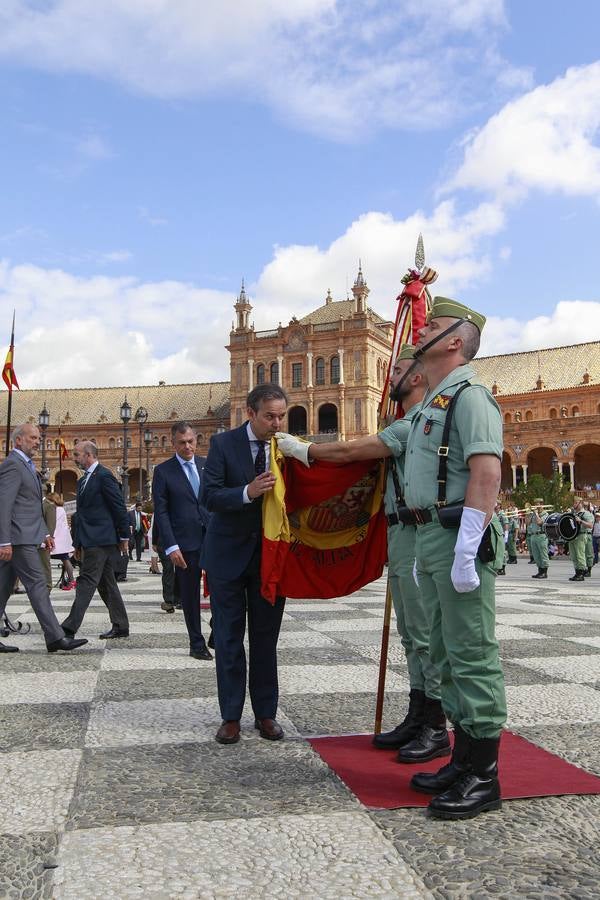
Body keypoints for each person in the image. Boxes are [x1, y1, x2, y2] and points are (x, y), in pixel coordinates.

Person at [277, 346, 448, 763]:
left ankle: (437, 724)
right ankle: (417, 712)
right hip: (400, 532)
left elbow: (354, 453)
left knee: (425, 632)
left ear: (420, 378)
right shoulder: (404, 421)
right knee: (410, 632)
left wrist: (305, 451)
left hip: (419, 529)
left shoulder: (418, 424)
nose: (390, 377)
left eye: (400, 371)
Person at [394, 297, 506, 820]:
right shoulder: (433, 402)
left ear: (455, 341)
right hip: (430, 538)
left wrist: (468, 546)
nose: (423, 330)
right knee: (443, 651)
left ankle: (484, 774)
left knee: (471, 653)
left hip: (458, 534)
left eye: (432, 326)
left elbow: (486, 473)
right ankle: (462, 759)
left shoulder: (471, 395)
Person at [201, 384, 288, 744]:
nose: (276, 422)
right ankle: (231, 716)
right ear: (250, 412)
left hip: (270, 560)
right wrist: (247, 492)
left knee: (266, 640)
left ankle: (266, 713)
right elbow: (208, 496)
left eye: (281, 415)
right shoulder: (223, 445)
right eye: (270, 416)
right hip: (227, 558)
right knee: (229, 638)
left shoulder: (287, 447)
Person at [0, 423, 87, 654]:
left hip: (26, 535)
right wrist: (4, 541)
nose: (38, 441)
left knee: (3, 587)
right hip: (18, 540)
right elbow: (4, 505)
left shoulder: (26, 466)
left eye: (39, 438)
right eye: (33, 438)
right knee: (38, 584)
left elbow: (30, 506)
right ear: (18, 440)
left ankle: (54, 636)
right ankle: (55, 637)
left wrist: (44, 533)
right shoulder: (13, 465)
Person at [152, 422, 212, 659]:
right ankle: (196, 643)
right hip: (184, 544)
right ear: (173, 443)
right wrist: (171, 545)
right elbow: (162, 511)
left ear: (196, 440)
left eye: (191, 441)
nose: (188, 446)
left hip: (212, 538)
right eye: (182, 443)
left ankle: (217, 631)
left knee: (225, 588)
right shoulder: (164, 471)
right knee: (189, 595)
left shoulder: (207, 465)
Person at [61, 441, 131, 639]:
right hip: (90, 539)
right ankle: (121, 624)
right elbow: (81, 515)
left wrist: (124, 535)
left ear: (89, 455)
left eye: (77, 454)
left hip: (101, 539)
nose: (74, 458)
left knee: (86, 581)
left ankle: (69, 628)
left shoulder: (104, 475)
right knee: (106, 583)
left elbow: (118, 506)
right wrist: (77, 543)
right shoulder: (83, 481)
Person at [48, 492, 76, 590]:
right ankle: (71, 580)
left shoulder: (55, 510)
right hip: (63, 538)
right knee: (65, 559)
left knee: (48, 558)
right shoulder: (61, 509)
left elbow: (52, 524)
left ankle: (70, 580)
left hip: (57, 538)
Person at [569, 498, 594, 581]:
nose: (574, 504)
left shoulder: (586, 513)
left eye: (576, 503)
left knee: (580, 555)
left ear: (580, 503)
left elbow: (590, 525)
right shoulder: (573, 514)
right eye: (574, 503)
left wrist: (581, 521)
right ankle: (577, 572)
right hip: (572, 537)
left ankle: (581, 574)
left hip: (581, 535)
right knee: (574, 556)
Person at [38, 486, 57, 592]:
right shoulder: (36, 505)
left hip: (44, 542)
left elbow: (50, 525)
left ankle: (47, 587)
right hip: (34, 541)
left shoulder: (48, 506)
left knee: (45, 564)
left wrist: (48, 539)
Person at [527, 500, 549, 579]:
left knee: (543, 554)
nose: (536, 506)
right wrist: (529, 514)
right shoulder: (533, 514)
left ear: (542, 505)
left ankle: (544, 572)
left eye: (537, 504)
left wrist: (536, 514)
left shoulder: (545, 514)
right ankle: (540, 571)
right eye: (535, 504)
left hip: (541, 535)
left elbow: (540, 522)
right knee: (536, 555)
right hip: (533, 535)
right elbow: (528, 523)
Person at [494, 502, 508, 575]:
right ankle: (498, 567)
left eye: (497, 504)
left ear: (499, 505)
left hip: (501, 534)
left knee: (502, 552)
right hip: (495, 534)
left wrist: (506, 534)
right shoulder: (493, 512)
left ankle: (503, 568)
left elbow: (506, 524)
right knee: (497, 551)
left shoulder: (502, 514)